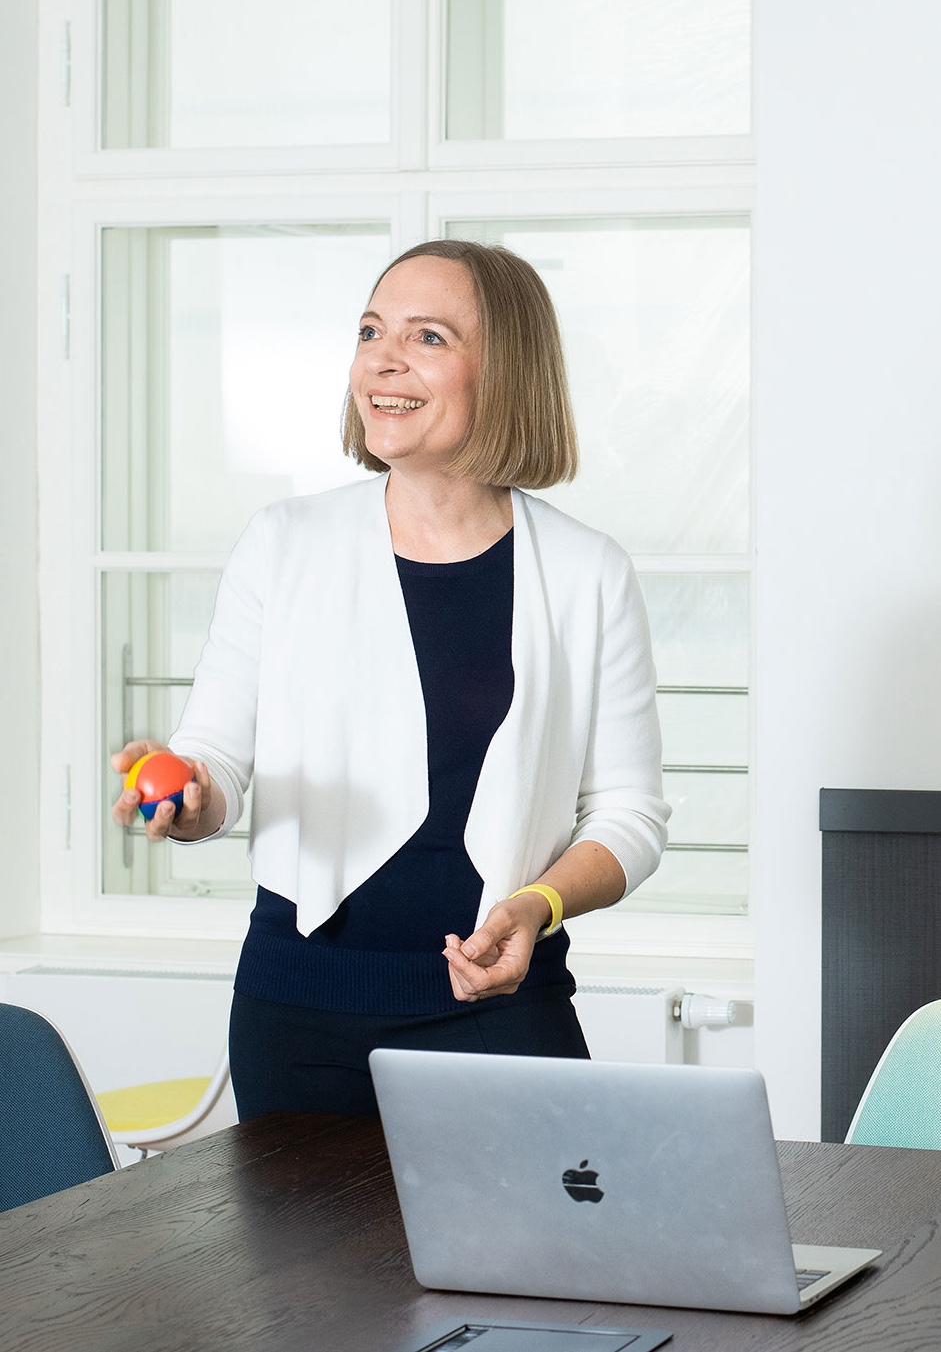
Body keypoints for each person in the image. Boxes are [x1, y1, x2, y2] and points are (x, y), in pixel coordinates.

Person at [112, 239, 671, 1118]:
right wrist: (189, 797)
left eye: (428, 337)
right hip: (298, 1012)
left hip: (499, 1003)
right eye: (371, 331)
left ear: (504, 371)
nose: (382, 358)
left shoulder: (586, 572)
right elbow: (213, 757)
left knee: (547, 1218)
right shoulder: (283, 543)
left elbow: (629, 813)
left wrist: (538, 903)